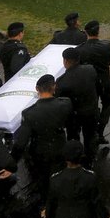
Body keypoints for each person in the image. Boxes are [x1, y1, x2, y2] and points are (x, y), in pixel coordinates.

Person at [11, 74, 73, 203]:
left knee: (44, 181)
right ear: (54, 87)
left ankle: (47, 205)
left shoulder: (29, 113)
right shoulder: (65, 104)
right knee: (61, 176)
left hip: (40, 153)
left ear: (37, 89)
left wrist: (11, 163)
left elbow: (21, 142)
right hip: (60, 148)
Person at [57, 48, 100, 166]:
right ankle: (90, 159)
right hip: (91, 112)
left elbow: (60, 101)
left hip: (74, 117)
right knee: (90, 136)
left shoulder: (62, 82)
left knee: (73, 137)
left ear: (65, 61)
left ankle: (76, 159)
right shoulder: (90, 70)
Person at [76, 21, 110, 145]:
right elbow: (109, 61)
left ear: (86, 32)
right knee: (107, 104)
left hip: (90, 83)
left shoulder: (80, 49)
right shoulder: (107, 45)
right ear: (98, 31)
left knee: (92, 107)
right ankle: (100, 130)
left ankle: (93, 132)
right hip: (104, 81)